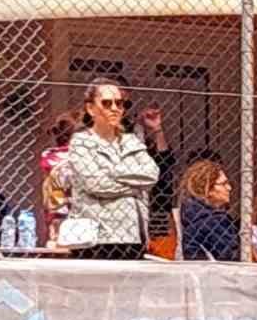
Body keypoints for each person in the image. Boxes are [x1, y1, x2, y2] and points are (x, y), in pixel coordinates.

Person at [58, 80, 159, 260]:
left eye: (119, 103)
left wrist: (110, 171)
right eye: (106, 103)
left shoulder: (131, 140)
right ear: (91, 108)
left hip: (134, 234)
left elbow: (151, 174)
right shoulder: (81, 142)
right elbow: (96, 185)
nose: (115, 108)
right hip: (97, 238)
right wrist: (136, 188)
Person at [133, 105, 177, 259]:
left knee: (160, 253)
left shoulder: (151, 153)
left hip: (157, 208)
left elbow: (165, 160)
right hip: (131, 208)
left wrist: (157, 129)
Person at [179, 159, 240, 262]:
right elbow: (231, 257)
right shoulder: (215, 220)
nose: (229, 188)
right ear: (208, 189)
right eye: (223, 184)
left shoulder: (193, 216)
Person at [39, 114, 77, 244]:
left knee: (54, 239)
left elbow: (46, 180)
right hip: (75, 204)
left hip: (55, 203)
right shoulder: (77, 155)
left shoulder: (48, 155)